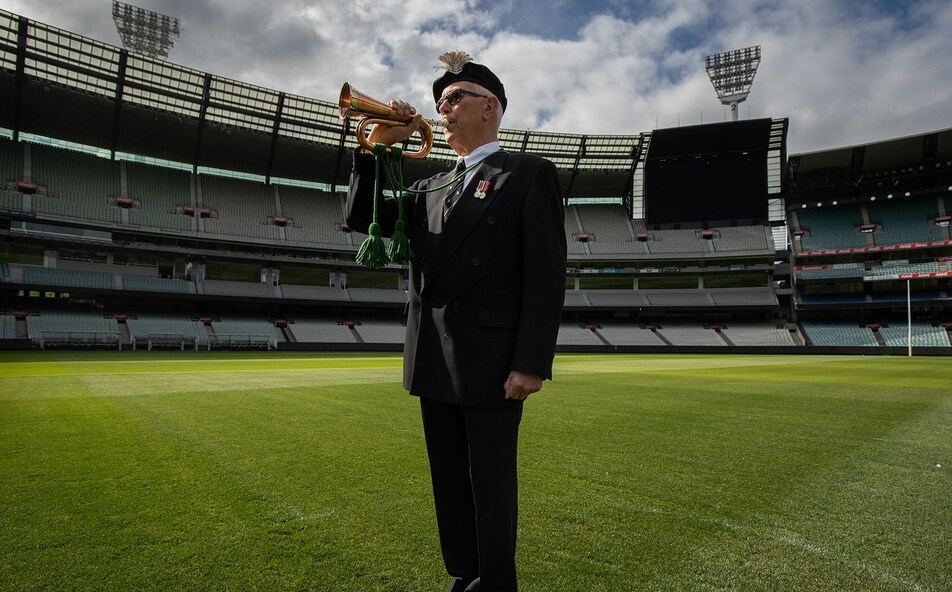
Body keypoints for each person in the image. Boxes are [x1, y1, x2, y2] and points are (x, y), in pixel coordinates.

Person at [345, 51, 567, 592]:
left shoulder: (529, 173)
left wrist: (530, 362)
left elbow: (546, 274)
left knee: (489, 483)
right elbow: (362, 218)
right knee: (449, 481)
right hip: (432, 356)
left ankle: (495, 581)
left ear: (489, 106)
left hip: (492, 361)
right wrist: (373, 150)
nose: (440, 111)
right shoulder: (431, 187)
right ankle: (466, 574)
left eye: (452, 99)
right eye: (440, 102)